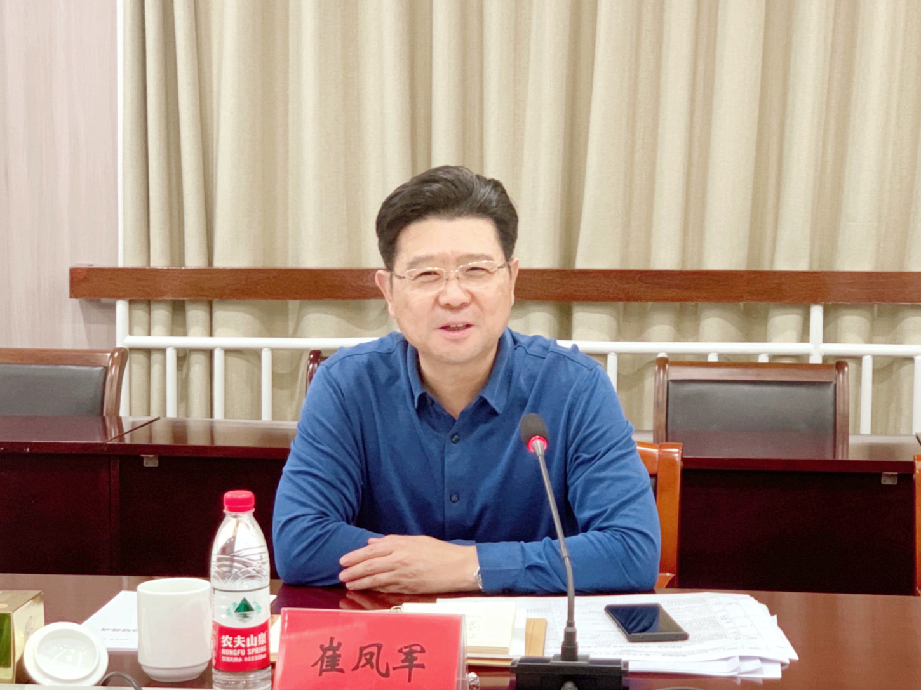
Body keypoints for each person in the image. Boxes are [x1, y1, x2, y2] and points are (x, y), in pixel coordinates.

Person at [272, 165, 660, 594]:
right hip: (392, 630)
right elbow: (301, 543)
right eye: (426, 275)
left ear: (511, 280)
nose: (454, 296)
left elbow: (632, 552)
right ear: (389, 292)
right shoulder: (346, 385)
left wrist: (466, 565)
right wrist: (440, 564)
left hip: (533, 633)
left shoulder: (575, 387)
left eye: (475, 270)